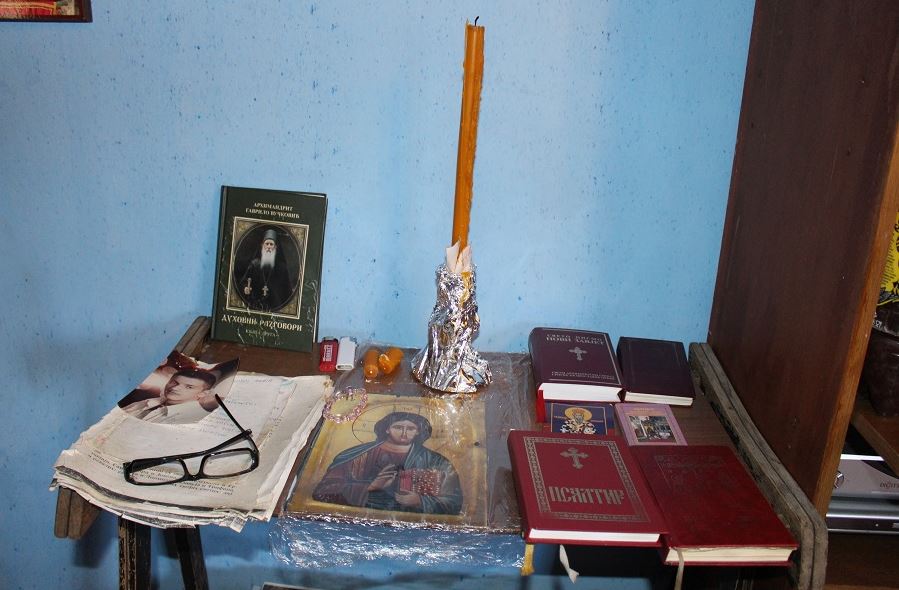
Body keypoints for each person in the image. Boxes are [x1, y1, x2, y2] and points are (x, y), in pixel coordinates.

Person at [312, 411, 463, 514]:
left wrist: (420, 501)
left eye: (411, 428)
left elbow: (454, 502)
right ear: (387, 429)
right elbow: (324, 491)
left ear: (418, 432)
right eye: (398, 427)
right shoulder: (357, 455)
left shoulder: (436, 461)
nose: (404, 433)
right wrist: (371, 486)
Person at [121, 368, 218, 422]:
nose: (175, 388)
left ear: (203, 393)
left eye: (189, 387)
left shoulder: (193, 419)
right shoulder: (149, 402)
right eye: (174, 382)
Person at [236, 228, 293, 312]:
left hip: (275, 308)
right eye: (267, 244)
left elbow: (287, 292)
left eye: (271, 244)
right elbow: (244, 282)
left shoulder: (282, 268)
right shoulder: (254, 264)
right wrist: (245, 288)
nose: (269, 247)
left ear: (275, 247)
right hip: (256, 306)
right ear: (262, 245)